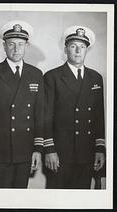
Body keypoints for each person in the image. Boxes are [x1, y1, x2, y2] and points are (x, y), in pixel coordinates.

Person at [0, 20, 44, 188]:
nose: (16, 49)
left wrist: (37, 149)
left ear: (26, 46)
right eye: (11, 44)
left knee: (20, 201)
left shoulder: (36, 74)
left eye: (20, 44)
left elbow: (40, 114)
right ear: (4, 46)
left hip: (26, 152)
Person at [43, 26, 105, 189]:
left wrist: (100, 148)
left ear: (86, 50)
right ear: (65, 49)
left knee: (81, 200)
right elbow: (46, 116)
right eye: (73, 46)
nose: (78, 51)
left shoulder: (95, 78)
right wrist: (50, 150)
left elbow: (99, 116)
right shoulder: (52, 77)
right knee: (57, 200)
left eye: (82, 47)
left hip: (87, 152)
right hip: (60, 153)